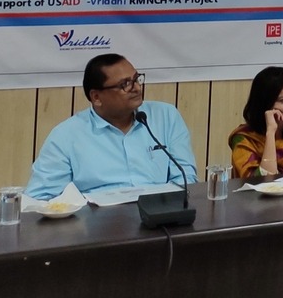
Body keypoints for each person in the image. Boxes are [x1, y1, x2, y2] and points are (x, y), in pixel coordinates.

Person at [27, 54, 197, 199]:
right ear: (96, 97)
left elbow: (186, 179)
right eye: (125, 84)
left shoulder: (166, 116)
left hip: (159, 214)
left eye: (136, 79)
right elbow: (41, 196)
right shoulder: (66, 135)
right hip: (95, 221)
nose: (137, 88)